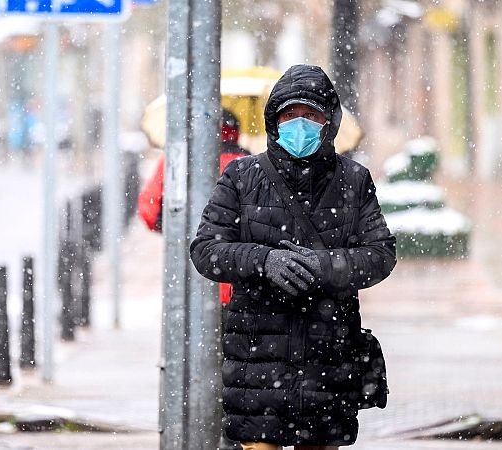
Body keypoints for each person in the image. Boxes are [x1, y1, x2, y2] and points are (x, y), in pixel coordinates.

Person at [189, 64, 396, 449]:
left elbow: (381, 254)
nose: (299, 124)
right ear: (274, 120)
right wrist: (264, 261)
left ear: (328, 122)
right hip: (257, 358)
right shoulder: (242, 176)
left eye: (311, 114)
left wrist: (324, 267)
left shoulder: (354, 180)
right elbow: (206, 250)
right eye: (289, 114)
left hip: (328, 354)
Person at [138, 109, 251, 305]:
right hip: (237, 284)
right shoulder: (251, 166)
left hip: (187, 279)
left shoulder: (178, 161)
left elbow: (149, 209)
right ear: (235, 132)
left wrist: (176, 227)